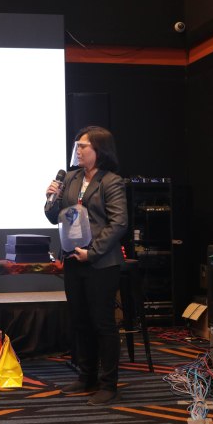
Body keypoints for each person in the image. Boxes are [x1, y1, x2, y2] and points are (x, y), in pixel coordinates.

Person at [44, 126, 128, 406]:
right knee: (80, 321)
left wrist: (91, 253)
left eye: (83, 146)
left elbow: (119, 223)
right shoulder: (71, 178)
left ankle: (109, 385)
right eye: (77, 146)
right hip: (72, 260)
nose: (78, 151)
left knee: (102, 323)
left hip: (101, 263)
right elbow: (54, 216)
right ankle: (87, 376)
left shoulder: (111, 182)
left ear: (99, 150)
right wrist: (50, 198)